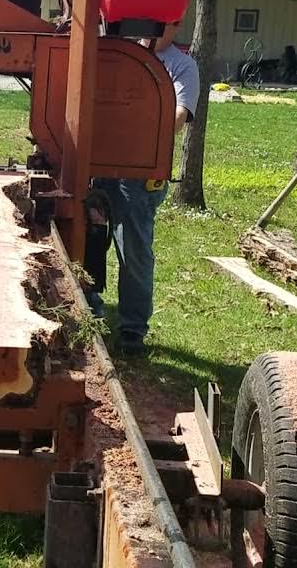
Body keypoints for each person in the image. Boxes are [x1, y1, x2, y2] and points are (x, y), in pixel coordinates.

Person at [86, 19, 201, 356]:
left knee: (133, 249)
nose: (146, 33)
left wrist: (133, 122)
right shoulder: (117, 55)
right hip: (98, 160)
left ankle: (132, 329)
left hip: (139, 172)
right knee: (88, 236)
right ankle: (89, 305)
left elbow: (179, 118)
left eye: (158, 25)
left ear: (176, 25)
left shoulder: (182, 66)